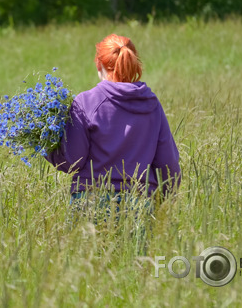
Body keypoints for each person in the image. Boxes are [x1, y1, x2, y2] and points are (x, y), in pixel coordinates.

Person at [45, 34, 181, 218]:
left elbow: (72, 161)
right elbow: (169, 163)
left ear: (98, 64)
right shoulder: (152, 104)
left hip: (91, 202)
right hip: (139, 205)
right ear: (133, 63)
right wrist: (164, 201)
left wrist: (46, 146)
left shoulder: (86, 102)